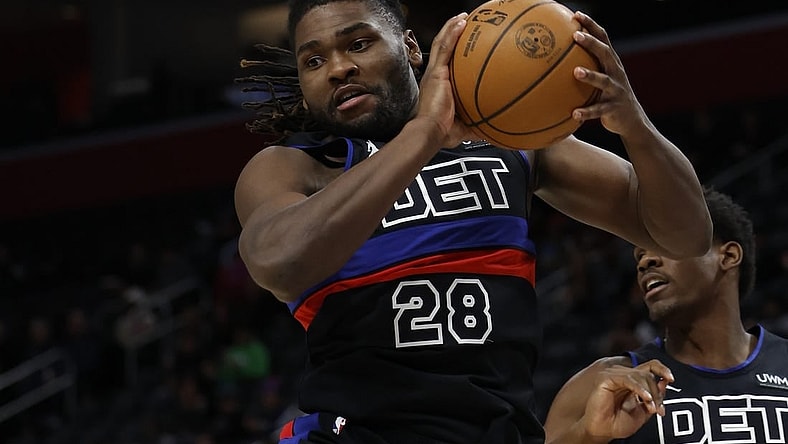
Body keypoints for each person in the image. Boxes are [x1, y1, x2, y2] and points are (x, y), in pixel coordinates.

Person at [233, 0, 712, 442]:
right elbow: (279, 263)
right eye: (313, 61)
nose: (338, 69)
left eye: (359, 43)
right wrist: (425, 133)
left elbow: (687, 234)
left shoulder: (507, 140)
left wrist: (633, 123)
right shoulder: (294, 166)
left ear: (410, 47)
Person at [543, 189, 788, 444]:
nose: (645, 261)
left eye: (664, 243)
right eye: (639, 254)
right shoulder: (598, 385)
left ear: (727, 256)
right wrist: (588, 434)